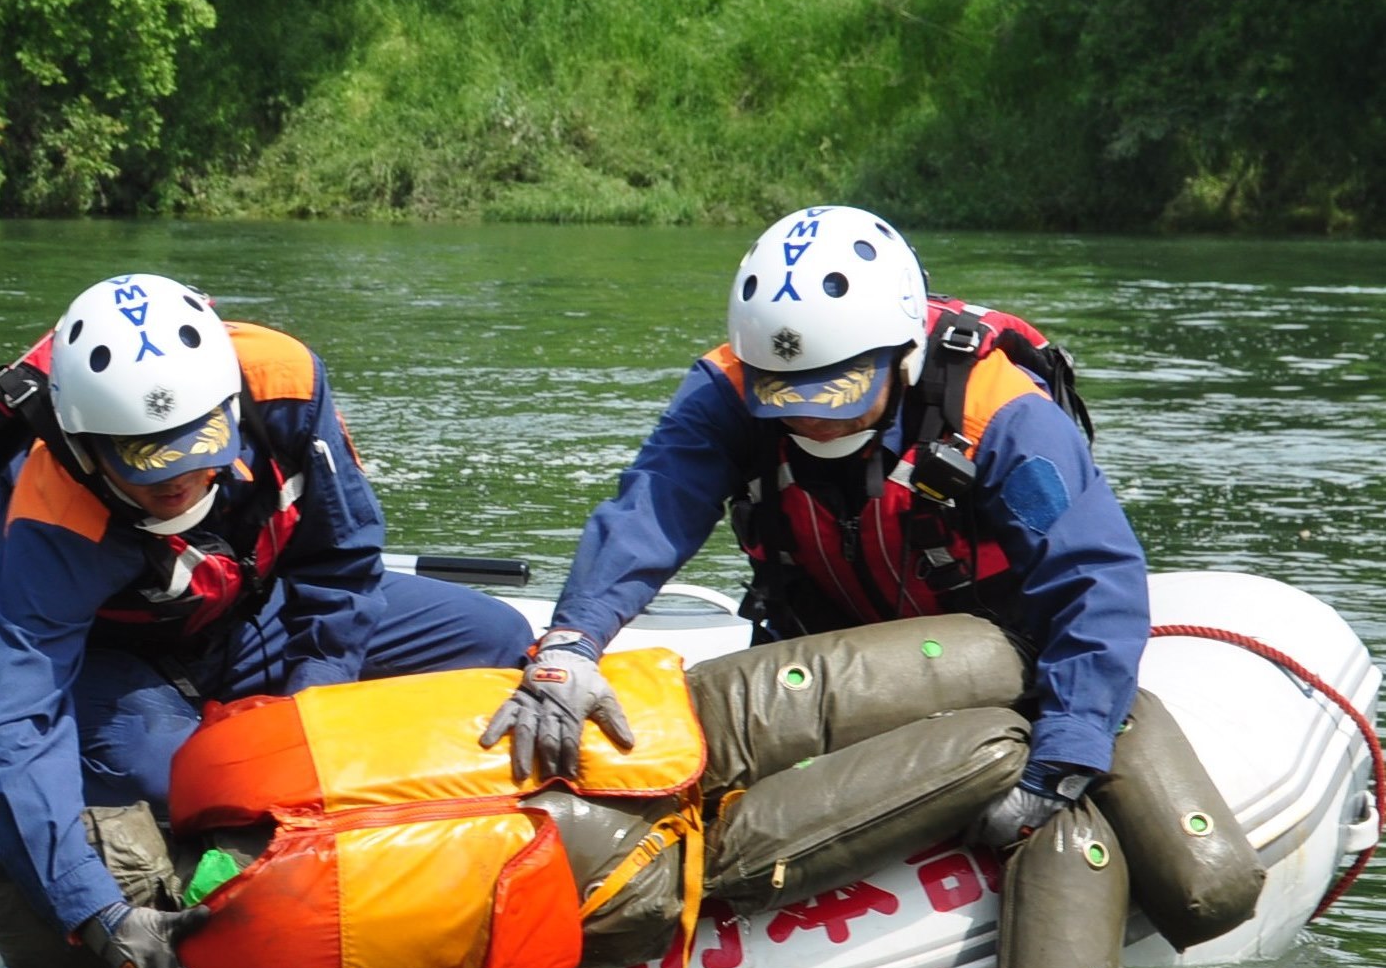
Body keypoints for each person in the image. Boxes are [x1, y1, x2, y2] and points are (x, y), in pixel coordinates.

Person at [482, 204, 1150, 851]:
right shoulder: (727, 389)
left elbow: (1093, 579)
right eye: (786, 397)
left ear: (906, 353)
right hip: (821, 651)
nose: (812, 420)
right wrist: (571, 643)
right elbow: (651, 507)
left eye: (839, 392)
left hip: (992, 658)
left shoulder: (1002, 416)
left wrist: (1057, 760)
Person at [0, 272, 532, 968]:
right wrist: (98, 914)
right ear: (86, 446)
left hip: (251, 613)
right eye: (146, 463)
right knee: (178, 780)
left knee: (495, 637)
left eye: (197, 448)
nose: (180, 482)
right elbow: (12, 723)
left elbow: (341, 564)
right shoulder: (47, 502)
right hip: (119, 659)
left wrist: (305, 723)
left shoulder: (283, 384)